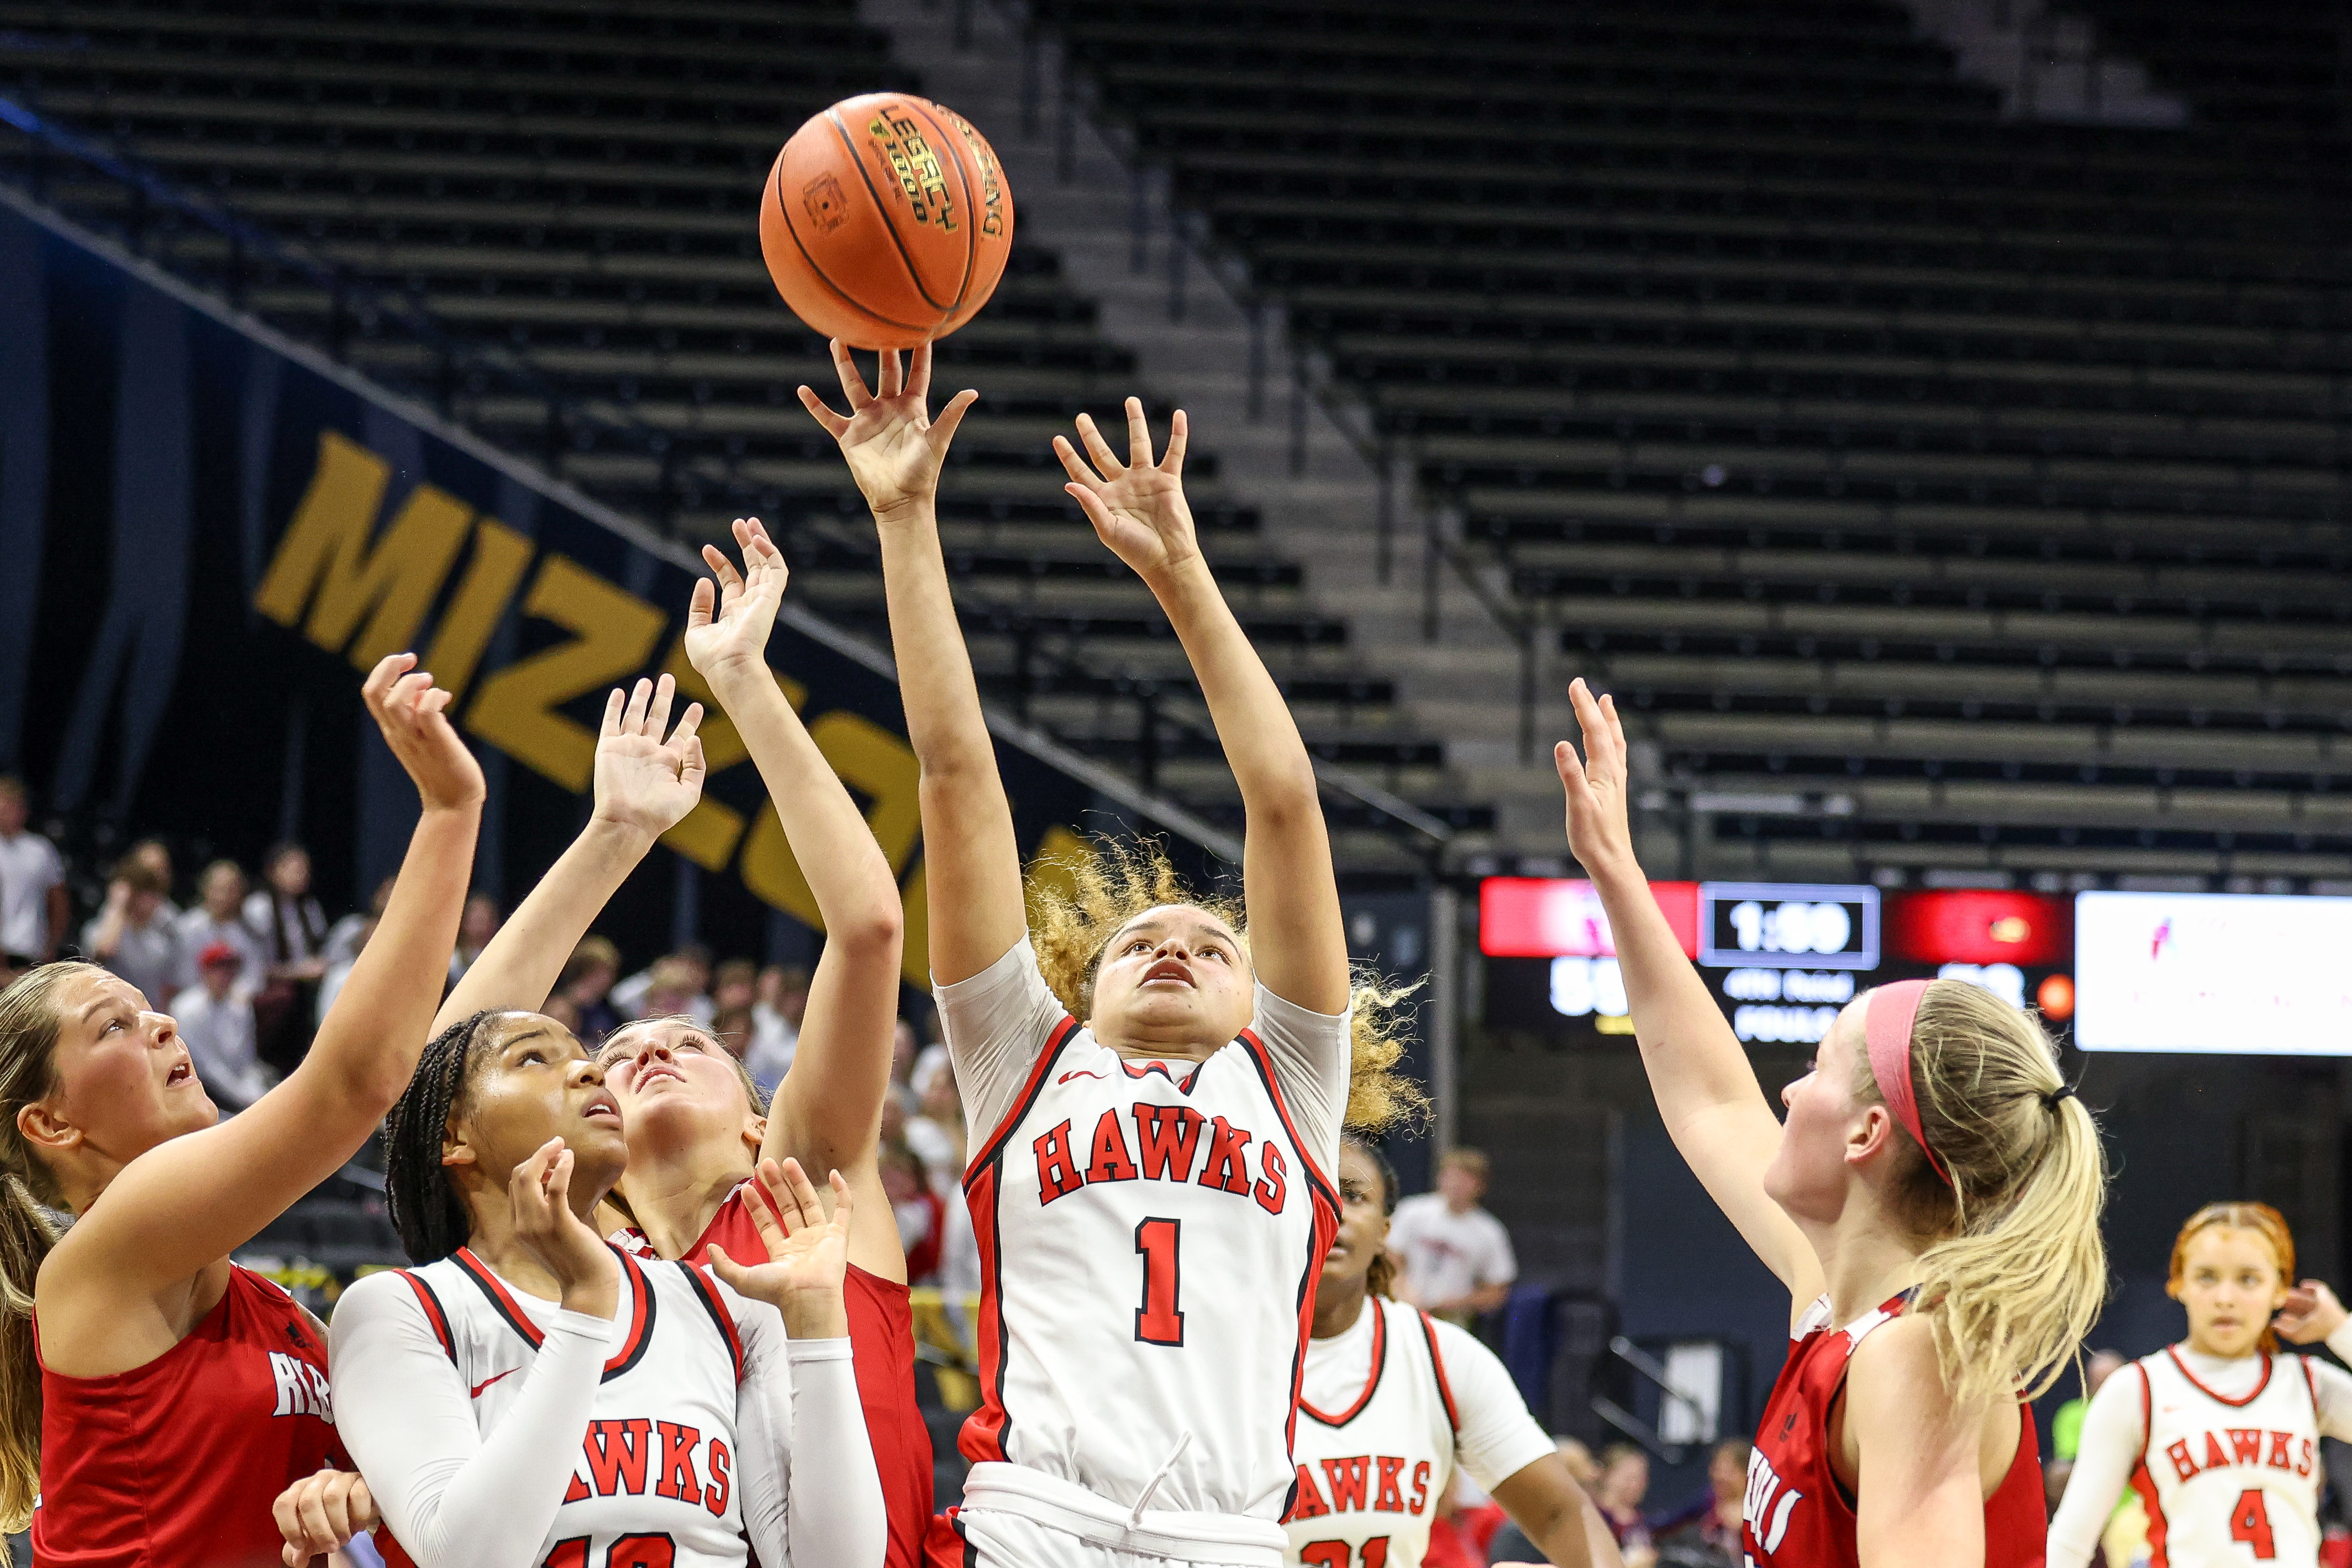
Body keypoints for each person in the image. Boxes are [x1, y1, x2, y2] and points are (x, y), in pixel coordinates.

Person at [808, 340, 1422, 1567]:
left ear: (1266, 1002)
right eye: (1141, 940)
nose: (1175, 948)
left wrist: (1183, 574)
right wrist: (905, 519)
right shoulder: (1021, 1061)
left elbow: (1285, 806)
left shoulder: (1289, 1082)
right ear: (1077, 991)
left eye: (1210, 945)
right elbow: (955, 780)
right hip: (1038, 1521)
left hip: (1237, 1538)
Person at [411, 523, 941, 1568]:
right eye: (611, 1054)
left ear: (759, 1117)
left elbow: (871, 924)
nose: (643, 1049)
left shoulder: (800, 1190)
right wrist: (615, 831)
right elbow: (452, 1073)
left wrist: (743, 679)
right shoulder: (586, 1254)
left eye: (689, 1040)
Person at [1553, 675, 2105, 1568]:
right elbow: (1708, 1098)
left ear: (1865, 1134)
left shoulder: (1914, 1354)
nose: (1784, 1093)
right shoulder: (1844, 1305)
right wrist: (1614, 868)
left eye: (1813, 1066)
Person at [8, 653, 482, 1562]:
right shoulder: (101, 1259)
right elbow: (358, 1082)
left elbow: (448, 1067)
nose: (163, 1025)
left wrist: (613, 833)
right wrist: (451, 813)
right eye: (116, 1025)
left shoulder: (280, 1314)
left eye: (153, 1007)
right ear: (52, 1122)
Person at [280, 1004, 885, 1568]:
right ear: (453, 1136)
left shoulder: (717, 1305)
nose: (589, 1070)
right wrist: (588, 1305)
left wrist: (817, 1328)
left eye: (582, 1055)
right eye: (533, 1059)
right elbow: (465, 1557)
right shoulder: (402, 1309)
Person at [1286, 1133, 1612, 1568]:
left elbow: (1561, 1514)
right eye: (1310, 1187)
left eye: (1351, 1194)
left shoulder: (1446, 1356)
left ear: (1384, 1230)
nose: (1331, 1208)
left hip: (1443, 1322)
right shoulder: (1208, 1353)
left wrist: (1445, 1306)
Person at [2047, 1203, 2352, 1568]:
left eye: (2247, 1279)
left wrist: (2340, 1329)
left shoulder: (2308, 1383)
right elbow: (2069, 1542)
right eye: (2207, 1276)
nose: (2225, 1297)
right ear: (2178, 1285)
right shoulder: (2138, 1388)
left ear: (2279, 1290)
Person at [1390, 1148, 1517, 1326]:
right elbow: (1389, 1258)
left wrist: (1456, 1304)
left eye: (1465, 1180)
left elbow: (1497, 1291)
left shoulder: (1490, 1231)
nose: (1456, 1185)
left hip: (1451, 1324)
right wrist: (1403, 1289)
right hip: (1401, 1313)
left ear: (1480, 1186)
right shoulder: (1413, 1211)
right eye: (1452, 1177)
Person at [244, 840, 331, 1072]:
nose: (300, 876)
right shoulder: (259, 907)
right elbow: (258, 966)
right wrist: (300, 971)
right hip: (267, 988)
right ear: (273, 871)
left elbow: (319, 950)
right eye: (293, 870)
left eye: (304, 871)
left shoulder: (309, 908)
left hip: (301, 986)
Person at [172, 940, 271, 1110]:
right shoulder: (186, 1009)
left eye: (230, 968)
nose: (226, 974)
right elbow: (205, 1066)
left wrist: (255, 1093)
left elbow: (247, 1059)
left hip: (238, 1089)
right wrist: (242, 1096)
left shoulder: (240, 1006)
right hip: (201, 1089)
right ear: (204, 972)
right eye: (218, 968)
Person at [80, 856, 185, 1007]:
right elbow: (104, 952)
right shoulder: (100, 928)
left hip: (148, 1013)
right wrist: (117, 905)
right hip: (110, 1010)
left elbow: (171, 988)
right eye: (140, 894)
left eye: (152, 894)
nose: (147, 901)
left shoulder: (162, 939)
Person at [2043, 1348, 2126, 1513]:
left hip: (2130, 1507)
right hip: (2088, 1499)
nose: (2104, 1387)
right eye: (2099, 1380)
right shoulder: (2071, 1414)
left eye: (2111, 1380)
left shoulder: (2140, 1412)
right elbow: (2071, 1461)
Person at [1640, 1439, 1746, 1566]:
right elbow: (1666, 1522)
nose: (1721, 1477)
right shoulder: (1708, 1500)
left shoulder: (1756, 1509)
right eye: (1717, 1469)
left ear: (1746, 1473)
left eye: (1730, 1472)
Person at [0, 778, 66, 978]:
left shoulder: (41, 850)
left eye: (11, 806)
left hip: (28, 951)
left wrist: (51, 946)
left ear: (23, 811)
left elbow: (59, 903)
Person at [176, 859, 266, 996]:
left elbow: (255, 975)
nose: (223, 897)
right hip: (196, 998)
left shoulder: (248, 929)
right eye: (218, 890)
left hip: (236, 1001)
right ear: (205, 889)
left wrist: (237, 994)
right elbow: (184, 973)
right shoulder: (189, 926)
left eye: (230, 891)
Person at [448, 892, 502, 982]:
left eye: (489, 920)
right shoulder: (452, 960)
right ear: (465, 923)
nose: (484, 926)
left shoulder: (499, 958)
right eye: (479, 920)